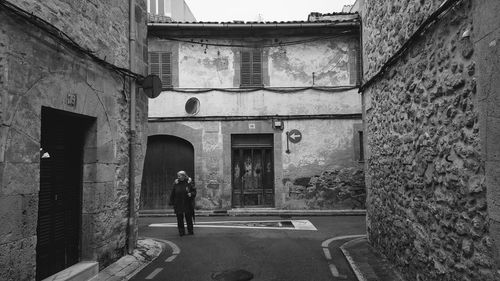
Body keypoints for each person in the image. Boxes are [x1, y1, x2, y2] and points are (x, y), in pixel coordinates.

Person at [169, 171, 196, 236]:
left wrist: (191, 194)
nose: (178, 177)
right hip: (178, 203)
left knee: (188, 218)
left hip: (187, 203)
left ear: (184, 176)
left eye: (180, 176)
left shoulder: (189, 182)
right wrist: (171, 201)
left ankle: (190, 230)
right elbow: (173, 193)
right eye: (178, 176)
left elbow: (194, 191)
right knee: (179, 218)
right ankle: (181, 232)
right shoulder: (176, 183)